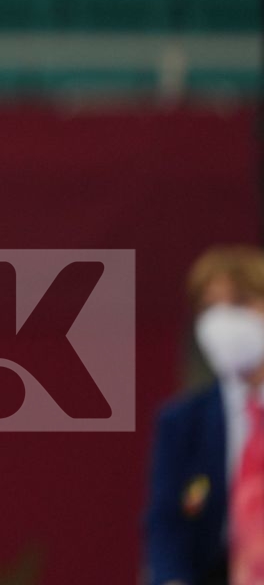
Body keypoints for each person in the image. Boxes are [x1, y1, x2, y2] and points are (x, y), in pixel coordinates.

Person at [145, 245, 264, 585]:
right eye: (210, 307)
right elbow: (167, 522)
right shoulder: (183, 423)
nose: (223, 321)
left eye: (239, 302)